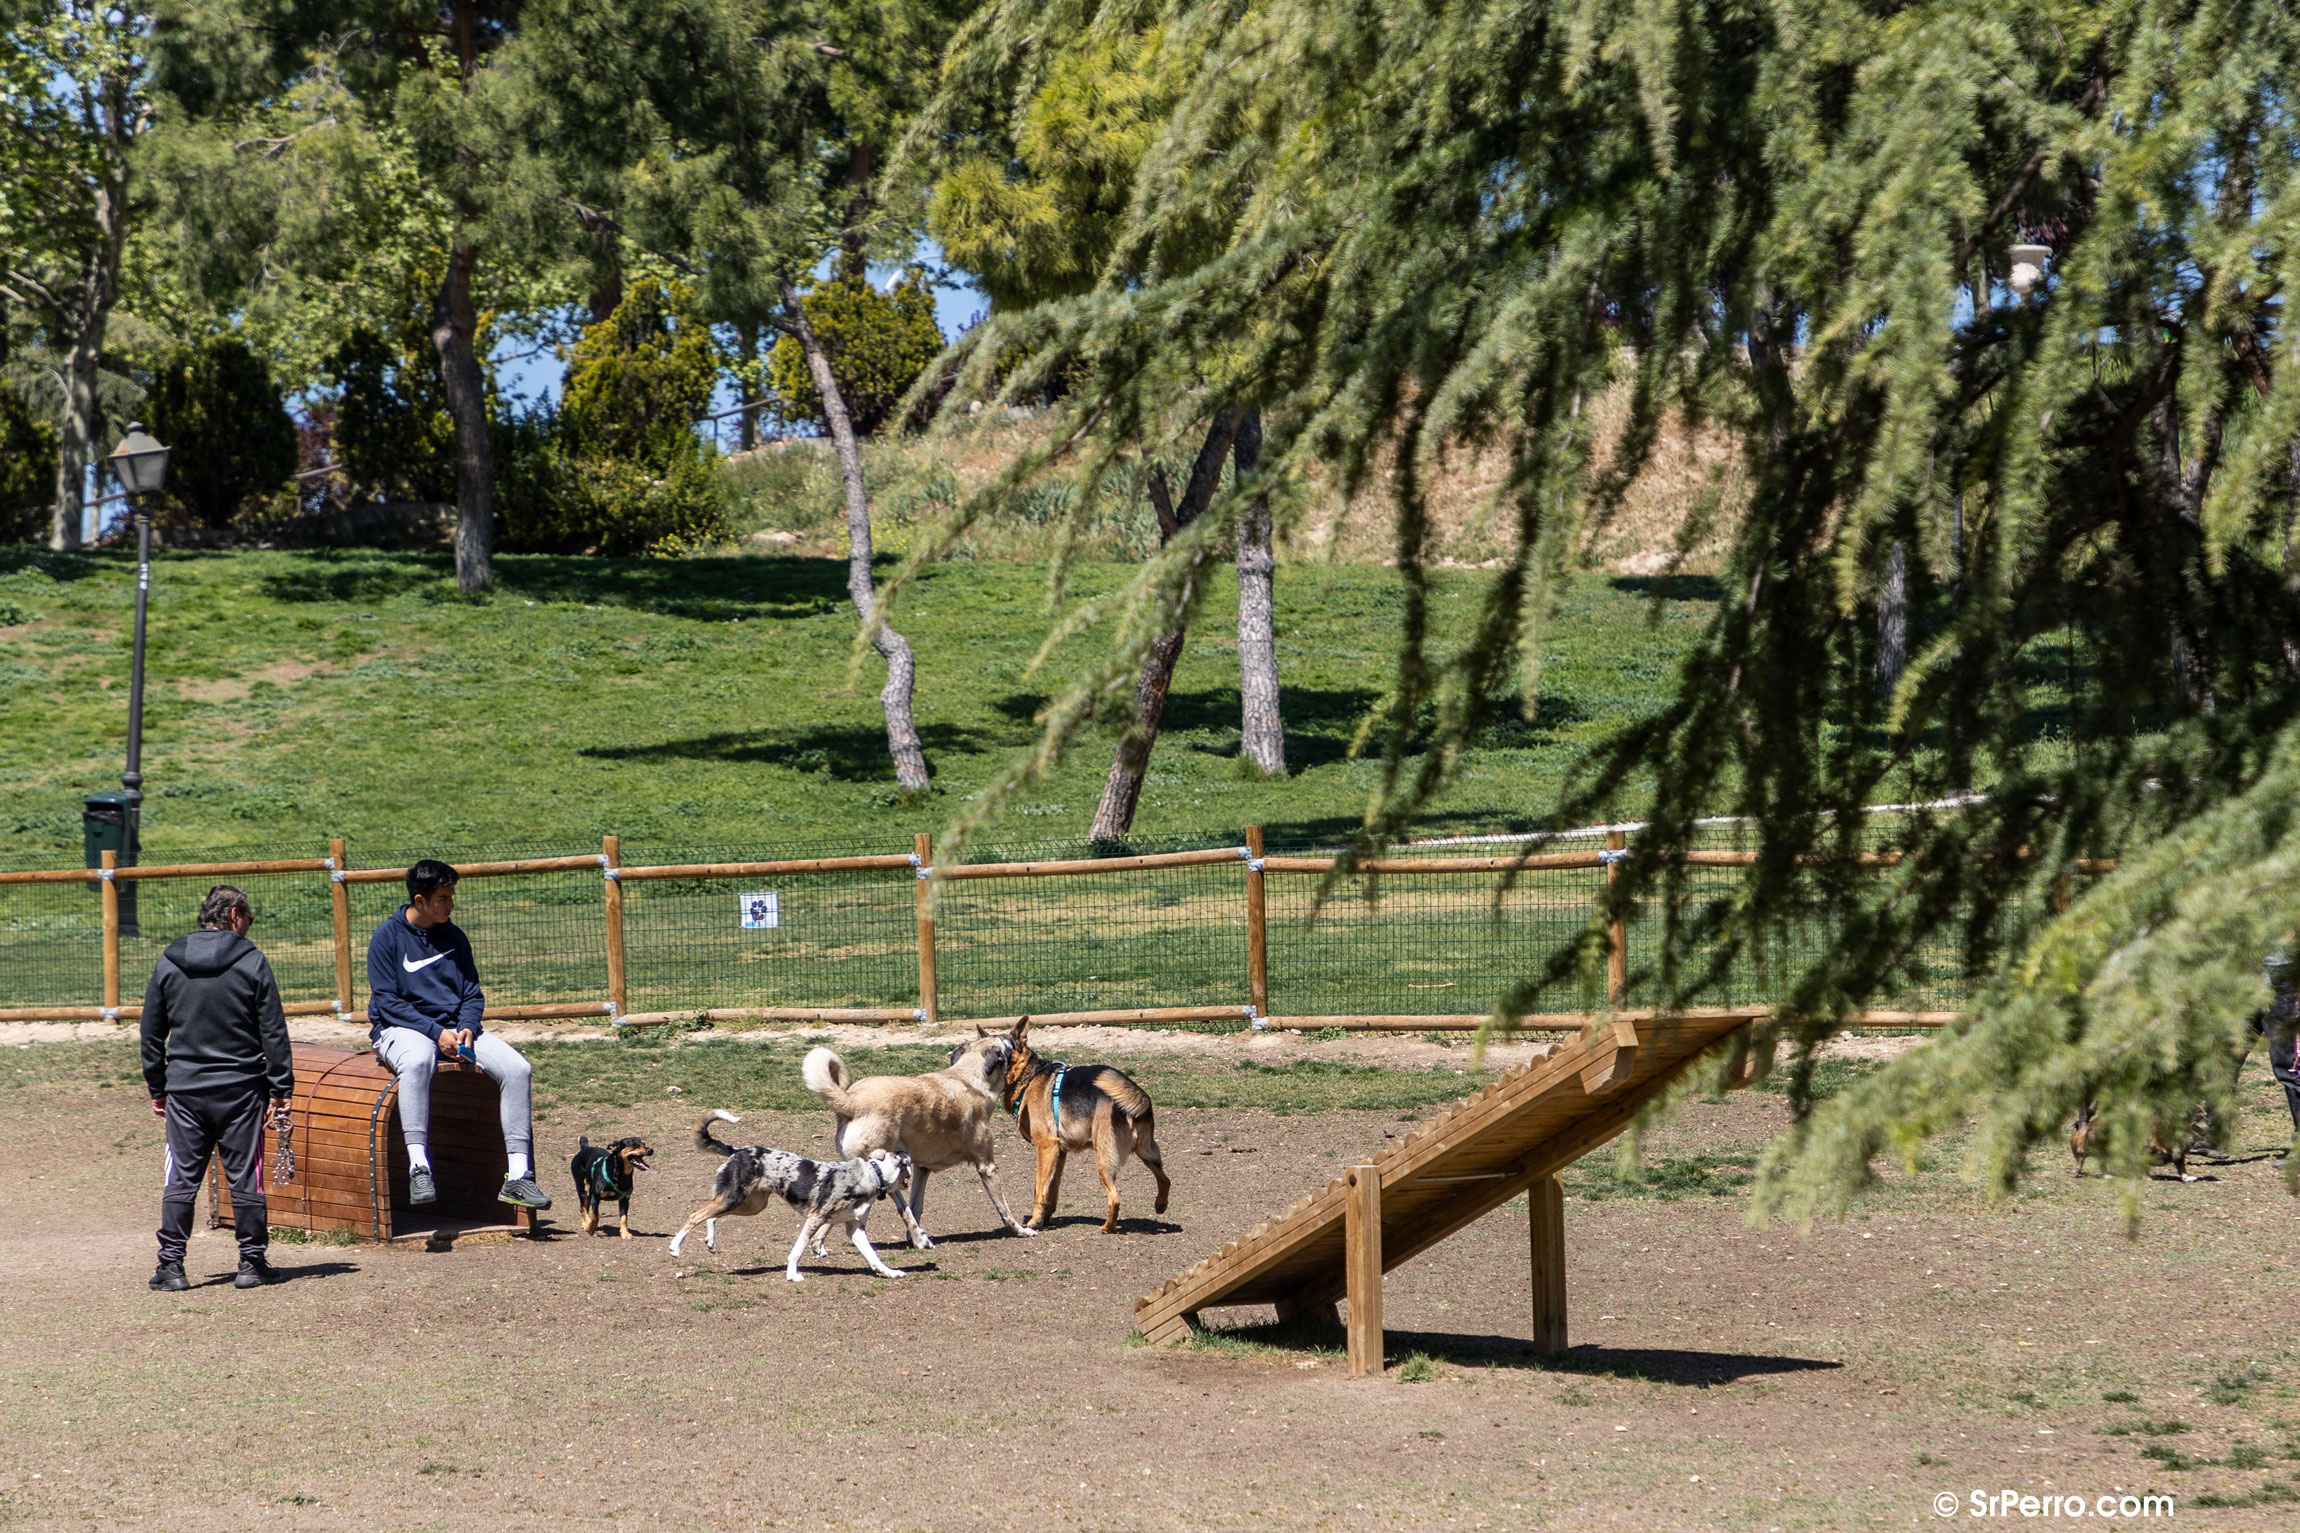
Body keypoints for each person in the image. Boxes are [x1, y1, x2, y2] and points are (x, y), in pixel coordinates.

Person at [366, 859, 552, 1210]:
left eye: (452, 897)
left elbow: (472, 993)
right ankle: (419, 1167)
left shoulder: (455, 936)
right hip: (401, 1029)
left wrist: (466, 1026)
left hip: (456, 1029)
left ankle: (517, 1177)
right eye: (443, 898)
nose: (451, 905)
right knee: (419, 1061)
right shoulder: (386, 937)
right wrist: (436, 1033)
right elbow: (387, 1002)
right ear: (419, 900)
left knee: (518, 1069)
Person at [141, 884, 293, 1292]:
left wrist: (158, 1085)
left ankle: (171, 1266)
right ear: (232, 916)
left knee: (181, 1179)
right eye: (249, 917)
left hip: (185, 1090)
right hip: (242, 1089)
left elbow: (152, 1032)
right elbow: (274, 1032)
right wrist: (280, 1088)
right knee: (246, 1176)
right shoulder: (252, 961)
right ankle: (251, 1263)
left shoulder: (169, 962)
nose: (250, 925)